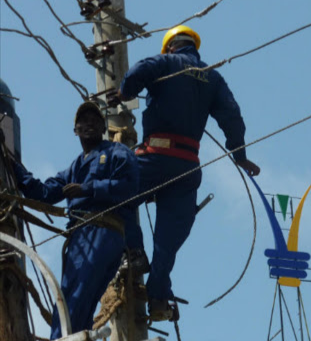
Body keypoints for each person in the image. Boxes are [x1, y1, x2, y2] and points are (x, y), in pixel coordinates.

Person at [116, 25, 260, 320]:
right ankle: (157, 299)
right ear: (193, 46)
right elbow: (232, 117)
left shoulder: (166, 63)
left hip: (155, 157)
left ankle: (134, 253)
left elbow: (137, 73)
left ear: (170, 46)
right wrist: (240, 156)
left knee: (116, 194)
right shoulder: (213, 77)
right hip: (187, 166)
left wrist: (123, 93)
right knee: (167, 242)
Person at [12, 101, 139, 339]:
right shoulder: (75, 168)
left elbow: (130, 187)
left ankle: (62, 338)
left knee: (74, 300)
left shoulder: (116, 153)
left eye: (94, 120)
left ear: (103, 127)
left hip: (101, 232)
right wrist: (13, 165)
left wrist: (89, 189)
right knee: (75, 302)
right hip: (82, 238)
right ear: (76, 131)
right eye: (83, 121)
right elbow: (44, 193)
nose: (89, 124)